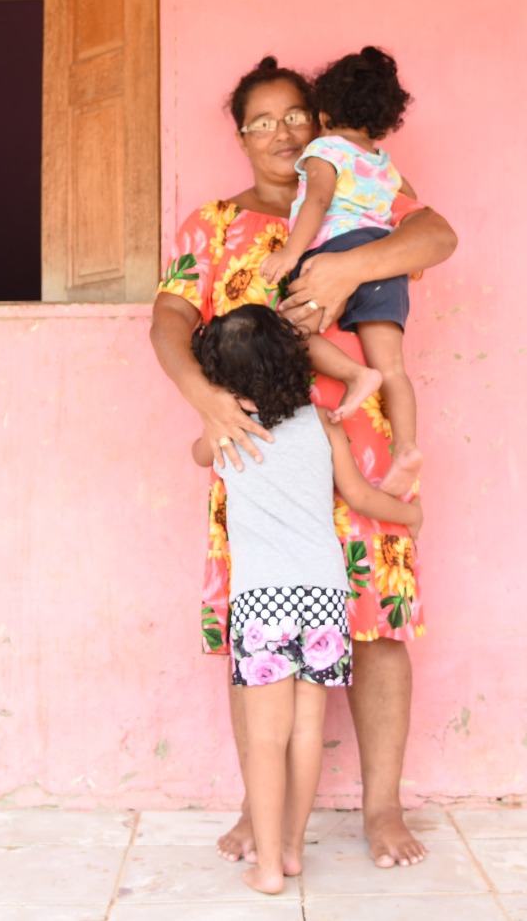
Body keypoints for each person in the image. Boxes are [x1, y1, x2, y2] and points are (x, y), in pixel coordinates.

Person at [149, 55, 458, 868]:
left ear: (319, 124)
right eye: (263, 120)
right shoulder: (213, 225)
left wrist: (351, 263)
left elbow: (437, 234)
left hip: (358, 439)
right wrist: (205, 402)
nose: (283, 132)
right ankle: (263, 808)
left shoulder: (361, 196)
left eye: (296, 117)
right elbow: (169, 320)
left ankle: (382, 810)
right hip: (257, 455)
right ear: (241, 135)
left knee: (378, 620)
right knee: (258, 631)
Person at [188, 304, 423, 895]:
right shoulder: (324, 424)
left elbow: (199, 454)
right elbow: (362, 499)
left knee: (267, 737)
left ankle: (267, 868)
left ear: (221, 379)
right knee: (304, 733)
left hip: (262, 602)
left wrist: (216, 412)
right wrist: (411, 514)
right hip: (323, 598)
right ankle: (292, 850)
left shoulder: (223, 434)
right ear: (295, 361)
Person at [259, 47, 422, 497]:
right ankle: (407, 448)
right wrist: (412, 258)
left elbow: (317, 201)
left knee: (288, 332)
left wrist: (292, 254)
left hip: (336, 252)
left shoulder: (324, 149)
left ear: (324, 112)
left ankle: (354, 375)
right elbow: (410, 206)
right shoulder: (385, 164)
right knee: (394, 365)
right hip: (384, 260)